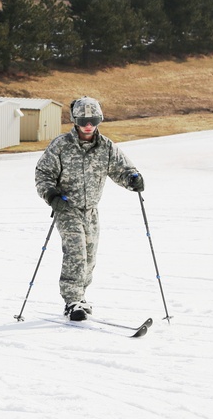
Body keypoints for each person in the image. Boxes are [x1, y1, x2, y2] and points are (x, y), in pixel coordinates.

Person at [34, 97, 143, 321]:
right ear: (75, 120)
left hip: (91, 210)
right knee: (76, 253)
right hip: (67, 208)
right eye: (83, 120)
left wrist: (132, 179)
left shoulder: (106, 147)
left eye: (93, 120)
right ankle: (72, 301)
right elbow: (43, 174)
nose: (88, 125)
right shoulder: (61, 145)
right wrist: (52, 195)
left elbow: (122, 169)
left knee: (90, 255)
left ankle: (81, 297)